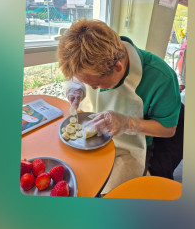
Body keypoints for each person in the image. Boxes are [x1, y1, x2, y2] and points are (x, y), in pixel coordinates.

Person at [57, 19, 183, 193]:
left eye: (95, 85)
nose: (92, 89)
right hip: (95, 136)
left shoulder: (162, 79)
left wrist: (128, 123)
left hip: (132, 144)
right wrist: (76, 87)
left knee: (109, 191)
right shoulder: (97, 59)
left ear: (118, 67)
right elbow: (78, 77)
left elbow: (168, 130)